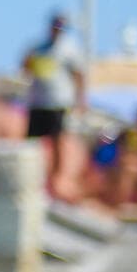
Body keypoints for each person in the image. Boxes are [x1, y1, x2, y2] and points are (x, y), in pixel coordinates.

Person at [22, 11, 84, 196]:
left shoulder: (70, 49)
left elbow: (78, 75)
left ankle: (57, 178)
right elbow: (25, 68)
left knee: (57, 140)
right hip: (38, 101)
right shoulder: (39, 48)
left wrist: (80, 100)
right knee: (32, 141)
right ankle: (32, 175)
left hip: (58, 101)